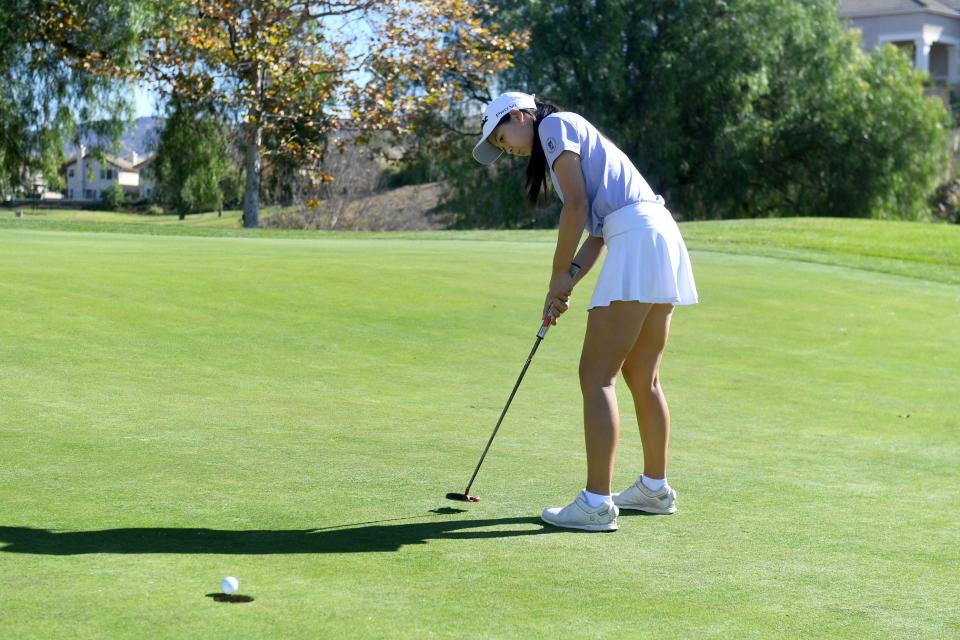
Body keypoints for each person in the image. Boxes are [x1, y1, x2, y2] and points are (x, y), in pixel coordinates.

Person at [472, 92, 698, 532]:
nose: (508, 148)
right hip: (658, 236)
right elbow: (596, 235)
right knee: (641, 376)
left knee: (596, 376)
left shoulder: (553, 127)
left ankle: (596, 503)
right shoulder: (568, 143)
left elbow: (575, 208)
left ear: (520, 115)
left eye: (503, 137)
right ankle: (654, 489)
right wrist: (565, 285)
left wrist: (557, 274)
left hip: (638, 236)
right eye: (500, 147)